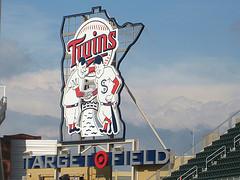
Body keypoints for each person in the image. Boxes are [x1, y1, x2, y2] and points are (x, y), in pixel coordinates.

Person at [93, 55, 122, 135]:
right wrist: (92, 94)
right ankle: (107, 129)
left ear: (102, 63)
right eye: (96, 65)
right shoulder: (98, 75)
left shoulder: (108, 70)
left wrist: (112, 94)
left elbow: (117, 82)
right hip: (101, 102)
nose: (97, 67)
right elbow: (99, 88)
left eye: (98, 64)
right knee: (100, 116)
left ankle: (107, 128)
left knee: (107, 116)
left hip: (109, 102)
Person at [62, 57, 90, 135]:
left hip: (76, 102)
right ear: (78, 65)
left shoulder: (81, 72)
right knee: (71, 116)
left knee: (76, 115)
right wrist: (90, 93)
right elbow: (78, 93)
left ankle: (74, 127)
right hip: (70, 103)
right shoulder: (75, 76)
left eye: (85, 66)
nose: (84, 68)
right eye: (83, 66)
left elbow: (89, 70)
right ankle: (71, 128)